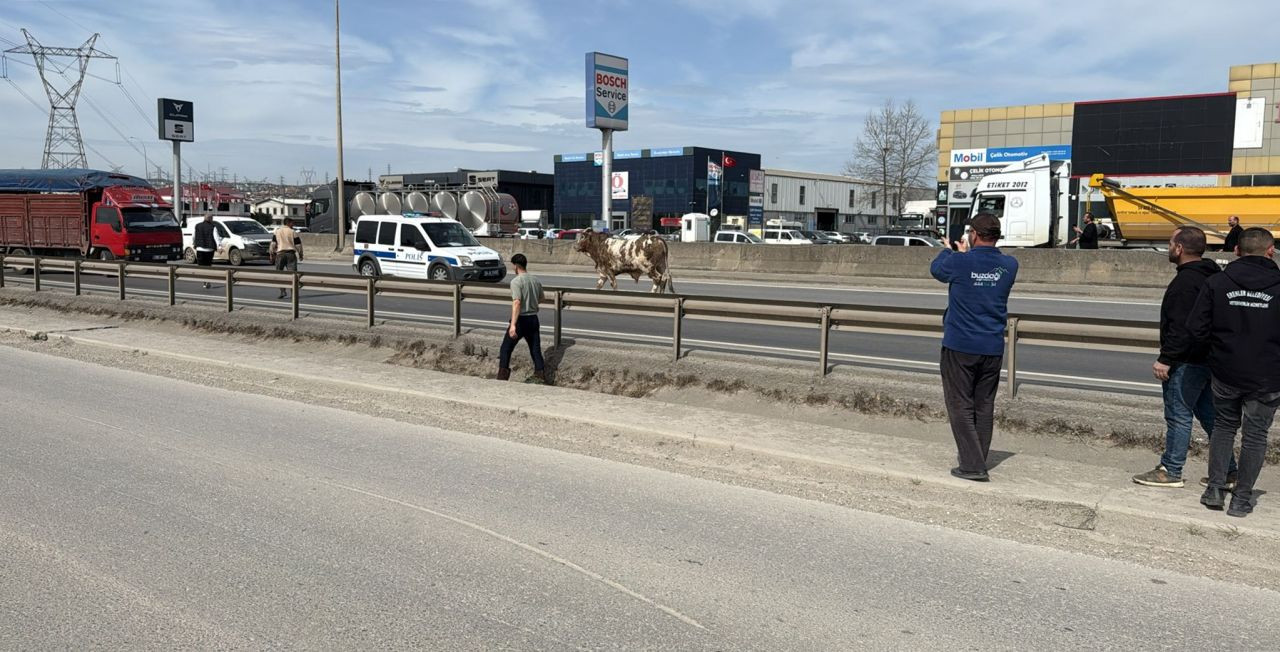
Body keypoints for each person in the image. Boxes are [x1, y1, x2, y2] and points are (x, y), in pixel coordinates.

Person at [1133, 226, 1236, 488]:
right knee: (1211, 417)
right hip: (1209, 360)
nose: (1169, 248)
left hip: (1186, 361)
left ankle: (1171, 469)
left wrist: (1166, 358)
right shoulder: (1215, 277)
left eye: (1170, 243)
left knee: (1178, 415)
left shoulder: (1184, 284)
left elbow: (1181, 327)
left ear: (1179, 248)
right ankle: (1229, 471)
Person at [1188, 227, 1280, 517]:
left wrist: (1217, 352)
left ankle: (1215, 489)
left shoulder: (1217, 282)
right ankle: (1241, 499)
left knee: (1224, 427)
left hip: (1226, 370)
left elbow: (1196, 328)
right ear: (1271, 251)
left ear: (1237, 250)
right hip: (1268, 376)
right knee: (1255, 436)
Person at [930, 213, 1019, 481]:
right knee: (984, 405)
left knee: (960, 405)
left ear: (974, 235)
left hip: (960, 345)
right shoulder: (1010, 265)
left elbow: (937, 269)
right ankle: (978, 457)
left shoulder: (959, 262)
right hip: (992, 346)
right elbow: (988, 269)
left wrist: (950, 250)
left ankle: (972, 465)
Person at [496, 253, 547, 383]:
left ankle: (502, 377)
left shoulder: (516, 282)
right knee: (535, 349)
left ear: (515, 266)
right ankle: (540, 376)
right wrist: (532, 303)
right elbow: (542, 298)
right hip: (533, 319)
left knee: (506, 348)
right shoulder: (535, 280)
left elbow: (517, 302)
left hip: (521, 320)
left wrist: (513, 325)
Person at [270, 217, 304, 299]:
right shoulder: (293, 232)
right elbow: (298, 245)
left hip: (280, 254)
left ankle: (282, 291)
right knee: (293, 275)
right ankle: (293, 293)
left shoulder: (277, 232)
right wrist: (300, 254)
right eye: (292, 223)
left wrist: (271, 254)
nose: (293, 225)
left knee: (279, 274)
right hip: (290, 255)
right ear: (288, 223)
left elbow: (273, 244)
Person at [192, 213, 221, 289]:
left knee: (201, 267)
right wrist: (219, 247)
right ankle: (207, 281)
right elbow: (216, 238)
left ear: (204, 218)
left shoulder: (197, 226)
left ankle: (204, 282)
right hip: (209, 250)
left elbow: (193, 236)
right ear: (210, 219)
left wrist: (194, 243)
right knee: (208, 266)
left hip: (199, 249)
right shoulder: (213, 227)